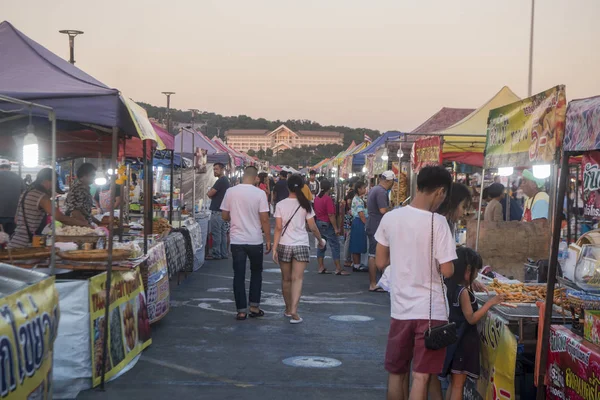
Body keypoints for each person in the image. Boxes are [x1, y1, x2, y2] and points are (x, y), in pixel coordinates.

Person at [375, 166, 457, 400]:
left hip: (400, 309)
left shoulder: (391, 218)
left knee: (397, 372)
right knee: (421, 376)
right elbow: (448, 270)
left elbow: (381, 262)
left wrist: (403, 259)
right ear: (440, 191)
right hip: (432, 313)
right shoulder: (438, 223)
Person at [441, 248, 504, 400]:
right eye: (476, 271)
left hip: (453, 341)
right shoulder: (463, 292)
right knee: (458, 385)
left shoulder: (449, 284)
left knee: (453, 382)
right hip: (463, 343)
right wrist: (490, 303)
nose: (477, 274)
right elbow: (471, 318)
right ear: (468, 270)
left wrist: (472, 282)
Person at [272, 174, 326, 324]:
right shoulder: (306, 204)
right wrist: (320, 240)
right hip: (301, 244)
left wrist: (274, 248)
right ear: (302, 187)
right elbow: (312, 226)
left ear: (287, 187)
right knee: (298, 279)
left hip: (284, 244)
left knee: (286, 279)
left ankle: (288, 309)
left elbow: (278, 227)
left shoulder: (281, 204)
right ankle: (295, 310)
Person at [220, 166, 272, 321]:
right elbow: (264, 218)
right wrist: (268, 240)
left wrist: (235, 218)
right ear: (256, 178)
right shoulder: (260, 193)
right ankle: (254, 307)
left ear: (243, 176)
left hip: (237, 240)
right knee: (256, 273)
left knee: (239, 275)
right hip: (255, 240)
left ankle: (241, 310)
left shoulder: (231, 191)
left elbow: (224, 215)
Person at [9, 168, 89, 248]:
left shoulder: (26, 192)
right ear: (47, 181)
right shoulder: (41, 197)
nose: (53, 186)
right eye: (53, 182)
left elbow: (16, 219)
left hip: (16, 240)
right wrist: (84, 224)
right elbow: (60, 217)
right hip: (26, 244)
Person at [366, 171, 395, 292]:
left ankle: (379, 282)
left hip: (373, 224)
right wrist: (392, 209)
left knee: (374, 254)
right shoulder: (381, 192)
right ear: (388, 181)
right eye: (393, 181)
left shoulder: (374, 189)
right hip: (376, 226)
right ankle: (373, 283)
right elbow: (383, 210)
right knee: (373, 254)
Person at [313, 179, 348, 275]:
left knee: (321, 245)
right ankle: (338, 268)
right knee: (335, 245)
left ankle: (321, 267)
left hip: (318, 223)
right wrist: (336, 228)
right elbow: (331, 215)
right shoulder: (327, 199)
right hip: (327, 224)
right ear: (330, 188)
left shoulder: (317, 198)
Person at [207, 163, 230, 260]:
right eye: (213, 169)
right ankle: (224, 253)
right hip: (223, 211)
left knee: (217, 233)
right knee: (222, 233)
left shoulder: (221, 181)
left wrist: (209, 193)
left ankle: (216, 253)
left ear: (222, 169)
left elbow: (210, 193)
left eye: (216, 169)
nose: (214, 171)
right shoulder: (225, 181)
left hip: (217, 211)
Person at [0, 159, 24, 236]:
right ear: (9, 167)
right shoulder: (18, 178)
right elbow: (24, 194)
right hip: (14, 215)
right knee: (11, 239)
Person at [349, 181, 368, 272]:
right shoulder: (357, 200)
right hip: (359, 222)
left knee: (358, 243)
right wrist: (366, 224)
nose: (365, 189)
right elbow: (361, 214)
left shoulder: (359, 199)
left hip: (358, 222)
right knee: (357, 243)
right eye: (364, 188)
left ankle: (357, 263)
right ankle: (356, 265)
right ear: (359, 189)